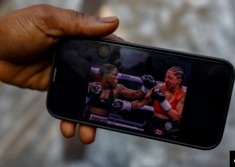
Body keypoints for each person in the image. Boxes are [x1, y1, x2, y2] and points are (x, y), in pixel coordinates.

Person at [0, 4, 120, 144]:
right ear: (105, 74)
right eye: (115, 74)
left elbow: (137, 99)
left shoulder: (117, 89)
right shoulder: (91, 79)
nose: (117, 77)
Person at [86, 63, 156, 120]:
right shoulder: (91, 86)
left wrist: (145, 87)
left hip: (103, 122)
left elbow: (135, 95)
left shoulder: (117, 88)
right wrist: (88, 97)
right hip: (87, 119)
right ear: (106, 75)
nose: (117, 77)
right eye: (114, 75)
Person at [131, 66, 186, 136]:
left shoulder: (182, 95)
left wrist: (163, 101)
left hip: (168, 127)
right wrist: (125, 105)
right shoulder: (159, 88)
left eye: (170, 78)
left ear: (179, 81)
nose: (166, 80)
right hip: (153, 122)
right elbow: (140, 103)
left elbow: (176, 117)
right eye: (166, 77)